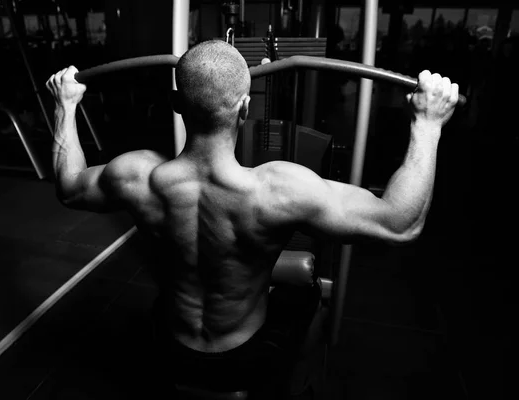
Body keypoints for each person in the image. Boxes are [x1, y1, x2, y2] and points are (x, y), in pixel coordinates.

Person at [46, 39, 458, 397]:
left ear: (176, 106)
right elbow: (401, 223)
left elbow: (69, 187)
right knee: (307, 293)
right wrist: (428, 124)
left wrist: (65, 106)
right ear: (245, 108)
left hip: (168, 345)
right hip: (242, 358)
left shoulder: (135, 176)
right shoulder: (279, 189)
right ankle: (296, 384)